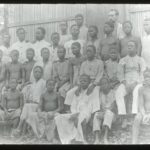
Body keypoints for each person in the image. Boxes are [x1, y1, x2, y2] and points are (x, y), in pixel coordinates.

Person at [55, 74, 100, 144]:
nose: (82, 82)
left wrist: (91, 117)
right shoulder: (77, 91)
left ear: (89, 82)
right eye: (81, 81)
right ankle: (66, 137)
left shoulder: (93, 90)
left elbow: (93, 105)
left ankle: (83, 139)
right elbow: (73, 105)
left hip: (86, 113)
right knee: (58, 117)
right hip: (76, 112)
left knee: (80, 119)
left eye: (85, 81)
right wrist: (74, 113)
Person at [115, 40, 146, 128]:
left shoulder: (140, 59)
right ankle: (123, 117)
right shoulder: (123, 60)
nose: (129, 47)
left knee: (137, 91)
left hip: (137, 81)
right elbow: (120, 73)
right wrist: (125, 83)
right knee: (118, 93)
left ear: (136, 48)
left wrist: (136, 83)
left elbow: (142, 73)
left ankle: (133, 115)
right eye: (128, 46)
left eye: (132, 46)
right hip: (126, 81)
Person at [14, 66, 46, 137]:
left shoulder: (44, 83)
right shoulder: (32, 84)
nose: (37, 73)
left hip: (40, 105)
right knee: (27, 106)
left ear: (41, 74)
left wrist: (37, 102)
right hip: (32, 105)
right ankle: (23, 132)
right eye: (35, 72)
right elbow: (30, 96)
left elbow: (44, 96)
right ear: (33, 73)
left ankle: (19, 128)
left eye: (39, 72)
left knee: (27, 106)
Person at [93, 77, 116, 144]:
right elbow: (99, 106)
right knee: (96, 114)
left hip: (111, 114)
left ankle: (105, 137)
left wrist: (105, 112)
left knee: (108, 113)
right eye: (102, 84)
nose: (104, 85)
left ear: (109, 84)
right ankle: (96, 138)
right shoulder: (100, 94)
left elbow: (113, 106)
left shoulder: (113, 92)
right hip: (103, 113)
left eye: (105, 83)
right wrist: (101, 112)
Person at [132, 69, 150, 144]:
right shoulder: (141, 89)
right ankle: (134, 142)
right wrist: (144, 114)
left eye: (149, 76)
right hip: (144, 112)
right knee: (137, 118)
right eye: (145, 77)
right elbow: (141, 105)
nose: (147, 78)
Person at [52, 46, 70, 112]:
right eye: (58, 52)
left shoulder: (68, 62)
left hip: (67, 81)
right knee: (53, 89)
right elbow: (55, 75)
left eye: (61, 52)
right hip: (59, 81)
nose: (60, 54)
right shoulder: (55, 63)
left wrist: (62, 82)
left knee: (62, 90)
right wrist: (58, 82)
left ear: (65, 53)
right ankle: (55, 107)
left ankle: (63, 107)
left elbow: (70, 75)